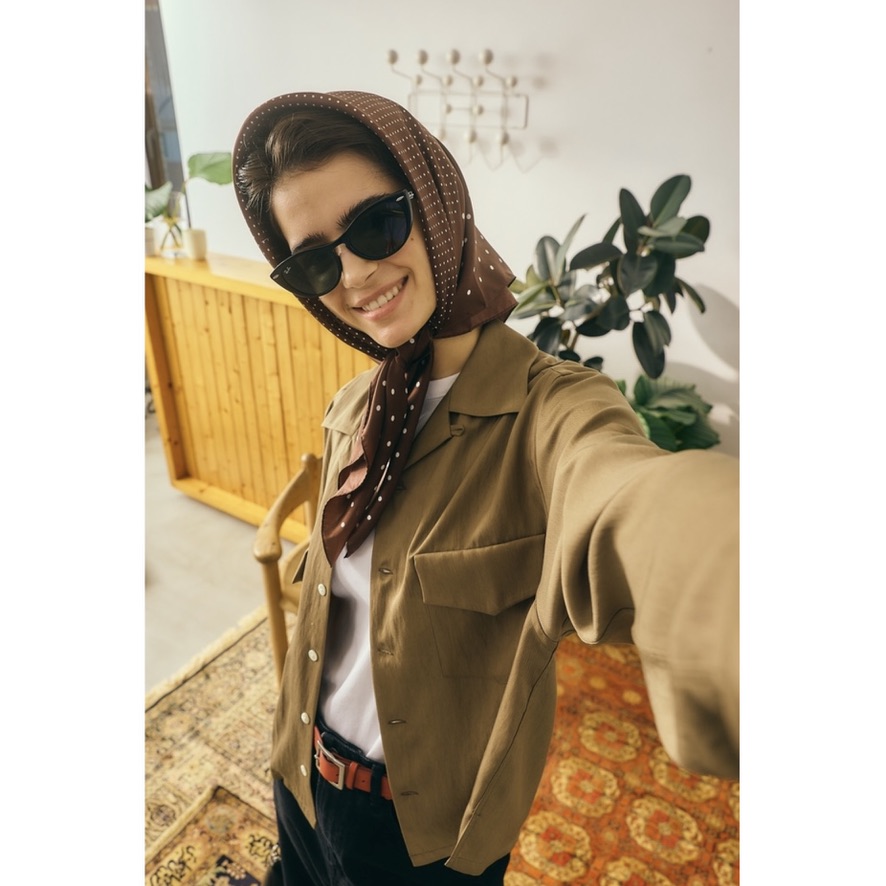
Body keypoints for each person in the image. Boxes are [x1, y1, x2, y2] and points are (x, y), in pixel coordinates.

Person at [233, 90, 739, 885]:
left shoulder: (551, 413)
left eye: (376, 225)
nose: (356, 274)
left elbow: (630, 498)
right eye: (315, 262)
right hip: (299, 772)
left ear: (434, 206)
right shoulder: (354, 409)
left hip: (421, 836)